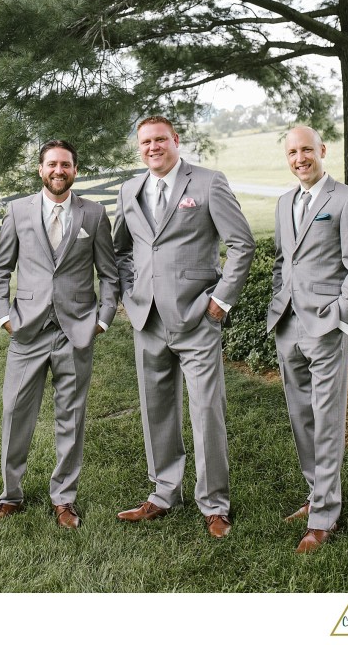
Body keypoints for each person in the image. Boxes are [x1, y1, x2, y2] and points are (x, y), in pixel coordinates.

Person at [113, 116, 255, 538]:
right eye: (145, 142)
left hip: (197, 318)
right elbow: (122, 250)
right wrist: (129, 292)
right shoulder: (129, 189)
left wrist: (219, 303)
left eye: (160, 139)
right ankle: (163, 492)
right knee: (156, 409)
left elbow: (242, 244)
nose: (153, 147)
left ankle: (214, 503)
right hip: (147, 319)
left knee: (206, 410)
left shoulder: (208, 183)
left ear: (176, 140)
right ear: (139, 148)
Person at [0, 139, 119, 528]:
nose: (58, 171)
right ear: (40, 169)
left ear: (75, 170)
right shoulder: (18, 210)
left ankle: (64, 499)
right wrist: (3, 316)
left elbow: (110, 274)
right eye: (51, 165)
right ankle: (10, 495)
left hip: (76, 329)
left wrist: (103, 319)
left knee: (72, 417)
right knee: (14, 412)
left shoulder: (93, 214)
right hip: (26, 329)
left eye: (65, 165)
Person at [267, 126, 348, 554]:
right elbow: (281, 261)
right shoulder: (284, 202)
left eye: (306, 150)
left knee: (327, 420)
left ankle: (325, 514)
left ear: (322, 150)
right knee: (301, 417)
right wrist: (278, 304)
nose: (300, 159)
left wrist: (340, 320)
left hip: (326, 328)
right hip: (288, 325)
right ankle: (315, 493)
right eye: (292, 152)